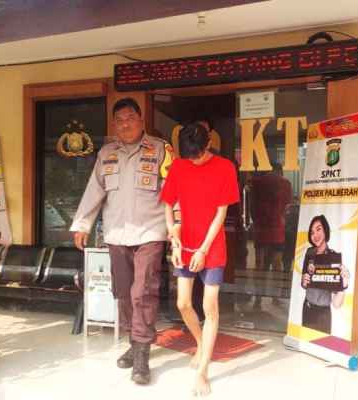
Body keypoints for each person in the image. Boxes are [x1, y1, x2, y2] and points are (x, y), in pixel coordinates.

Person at [70, 97, 173, 385]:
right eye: (120, 120)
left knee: (143, 291)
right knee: (124, 293)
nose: (125, 124)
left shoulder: (161, 149)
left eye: (130, 118)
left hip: (150, 231)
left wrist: (175, 227)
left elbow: (173, 189)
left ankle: (142, 356)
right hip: (116, 233)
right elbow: (94, 190)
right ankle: (134, 341)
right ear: (114, 125)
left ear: (141, 120)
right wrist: (82, 224)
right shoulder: (107, 153)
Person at [160, 123, 239, 396]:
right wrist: (173, 238)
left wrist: (203, 250)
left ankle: (203, 370)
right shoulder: (178, 166)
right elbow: (168, 204)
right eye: (189, 156)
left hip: (212, 246)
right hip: (185, 243)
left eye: (198, 155)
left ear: (208, 144)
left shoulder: (224, 167)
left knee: (209, 307)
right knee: (183, 303)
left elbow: (220, 214)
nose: (194, 160)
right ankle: (201, 343)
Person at [250, 162, 292, 307]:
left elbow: (252, 207)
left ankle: (258, 300)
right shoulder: (285, 183)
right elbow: (287, 208)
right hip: (277, 230)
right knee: (277, 264)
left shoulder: (257, 183)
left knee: (259, 264)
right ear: (279, 170)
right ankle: (275, 297)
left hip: (261, 230)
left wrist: (257, 221)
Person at [301, 215, 350, 334]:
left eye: (319, 229)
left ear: (325, 231)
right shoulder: (309, 252)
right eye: (312, 232)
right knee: (305, 343)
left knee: (321, 344)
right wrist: (304, 280)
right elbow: (304, 284)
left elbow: (336, 304)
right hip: (307, 309)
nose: (315, 235)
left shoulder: (332, 257)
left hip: (323, 314)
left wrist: (344, 284)